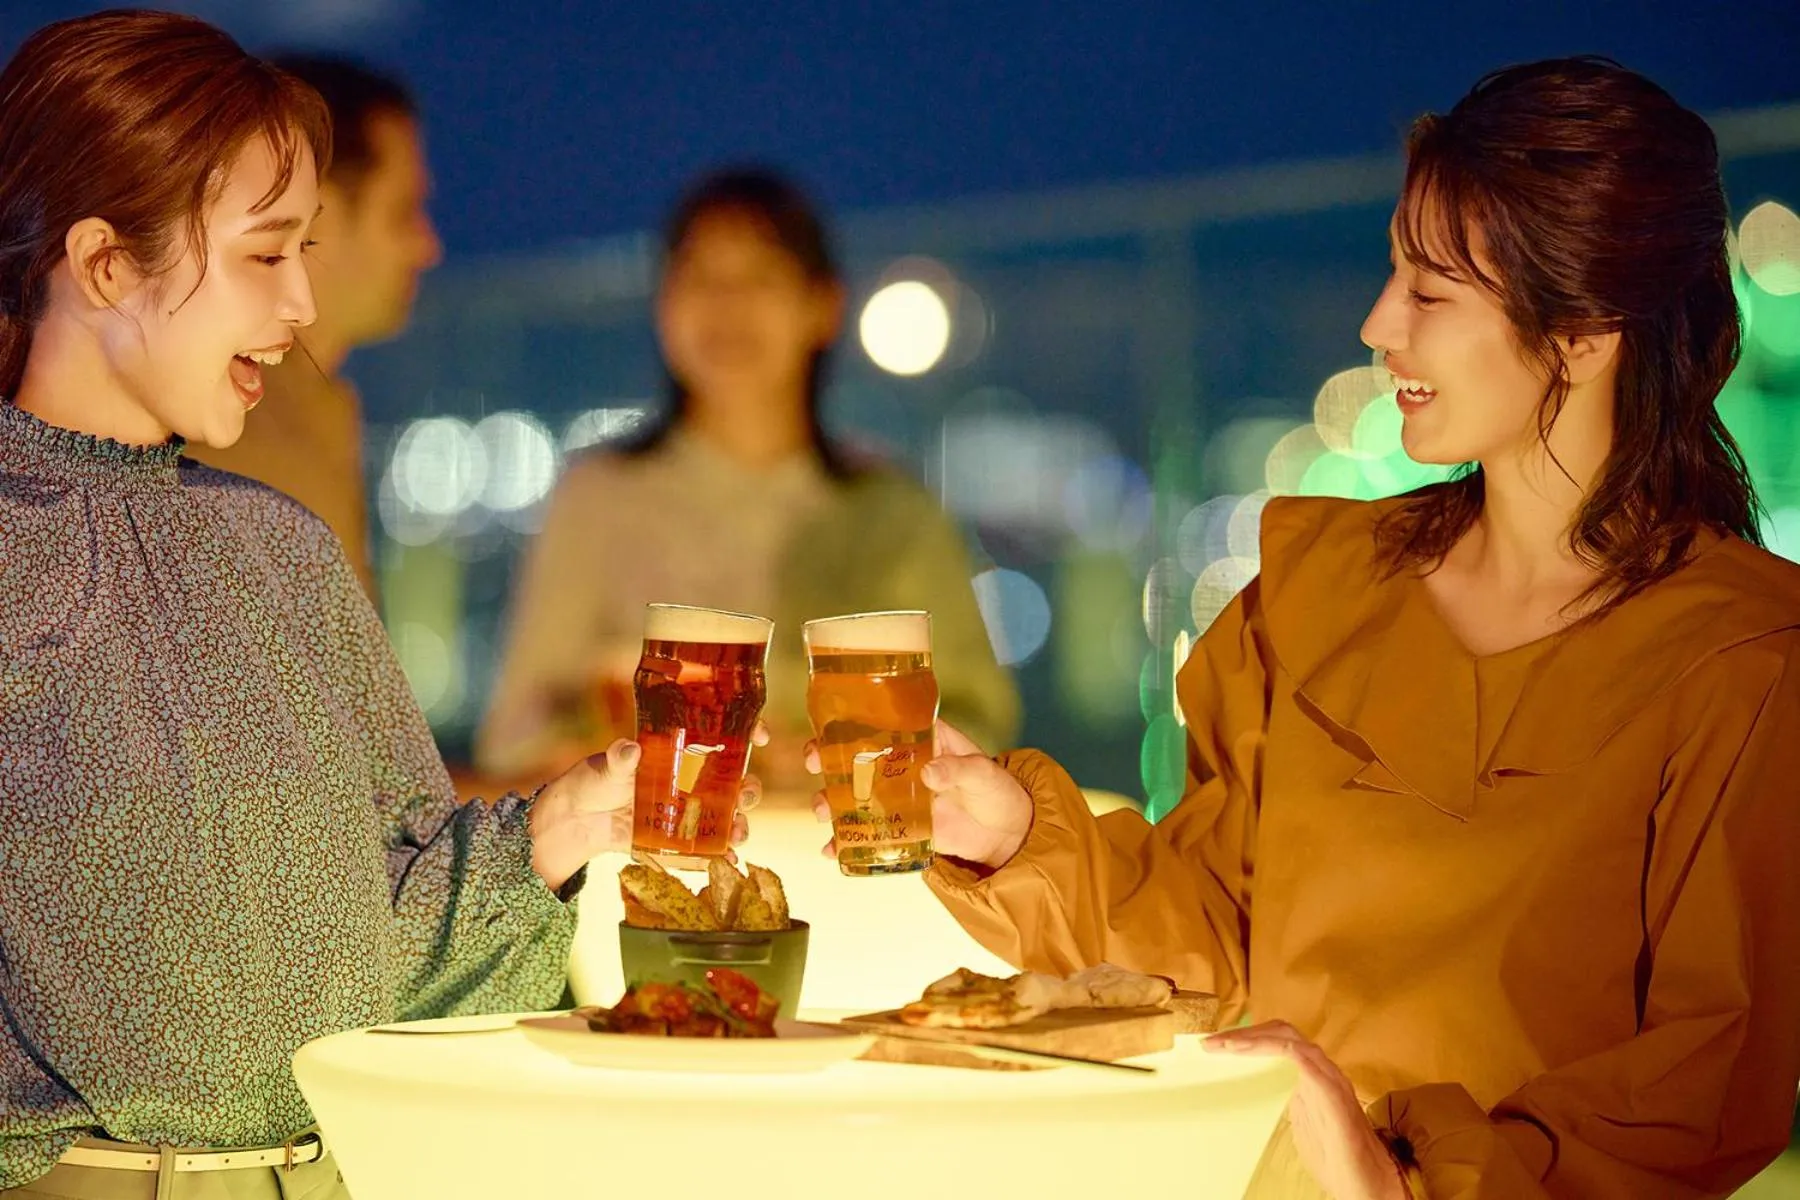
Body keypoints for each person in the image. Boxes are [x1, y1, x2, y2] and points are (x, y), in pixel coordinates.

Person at [840, 59, 1800, 1199]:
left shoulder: (1739, 656)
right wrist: (1010, 835)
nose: (1378, 322)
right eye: (1395, 273)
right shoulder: (1319, 588)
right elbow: (1205, 935)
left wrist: (1405, 1178)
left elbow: (1701, 1085)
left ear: (1588, 332)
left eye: (1433, 293)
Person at [0, 13, 727, 1197]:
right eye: (264, 253)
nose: (297, 306)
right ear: (104, 264)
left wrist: (565, 826)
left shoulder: (282, 549)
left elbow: (380, 933)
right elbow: (227, 1021)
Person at [477, 168, 1019, 790]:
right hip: (646, 858)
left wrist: (836, 757)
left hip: (847, 865)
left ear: (823, 306)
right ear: (663, 306)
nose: (727, 305)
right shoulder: (597, 496)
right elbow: (515, 735)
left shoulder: (893, 511)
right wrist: (614, 753)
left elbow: (980, 726)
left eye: (760, 277)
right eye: (700, 276)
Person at [186, 54, 443, 597]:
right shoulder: (240, 440)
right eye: (402, 212)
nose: (427, 247)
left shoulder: (315, 416)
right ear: (313, 212)